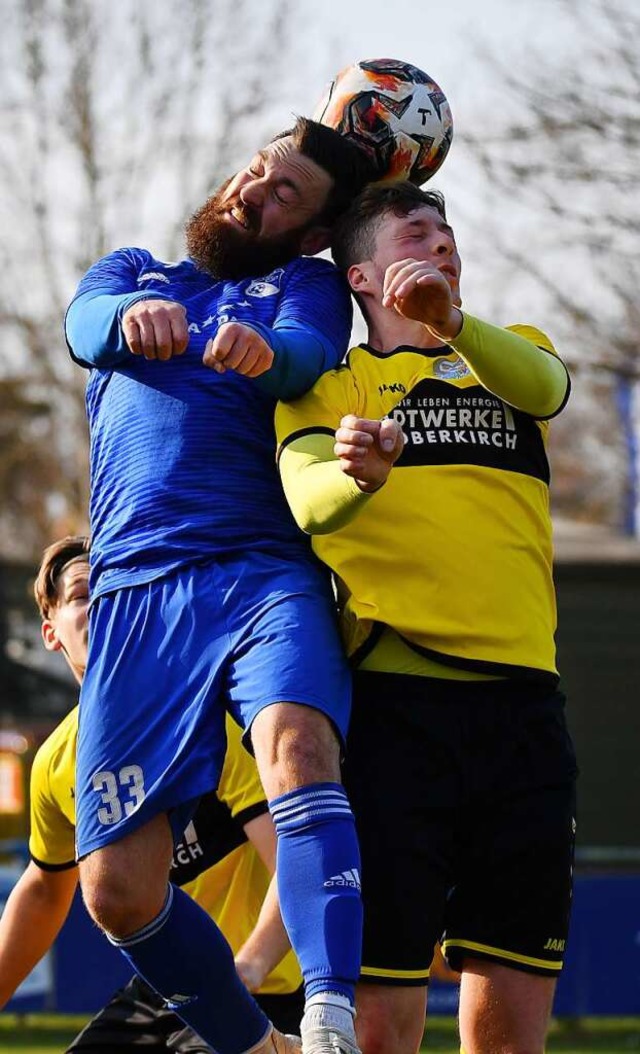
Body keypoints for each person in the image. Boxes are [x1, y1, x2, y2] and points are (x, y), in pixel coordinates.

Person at [64, 118, 376, 1054]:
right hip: (135, 595)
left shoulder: (309, 283)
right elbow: (83, 326)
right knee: (115, 890)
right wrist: (124, 321)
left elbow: (309, 352)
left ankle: (327, 1020)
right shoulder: (131, 270)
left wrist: (264, 353)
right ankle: (257, 1048)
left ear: (313, 231)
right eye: (257, 171)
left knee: (297, 745)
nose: (256, 192)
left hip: (259, 572)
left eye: (286, 194)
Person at [275, 181, 578, 1054]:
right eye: (417, 232)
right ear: (363, 276)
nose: (441, 243)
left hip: (525, 717)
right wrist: (358, 474)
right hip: (397, 716)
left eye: (448, 233)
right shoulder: (331, 385)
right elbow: (309, 502)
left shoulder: (508, 353)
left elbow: (548, 388)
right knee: (381, 1026)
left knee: (513, 1030)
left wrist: (451, 323)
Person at [0, 535, 304, 1051]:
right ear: (51, 634)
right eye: (80, 595)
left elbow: (296, 857)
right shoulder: (55, 762)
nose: (101, 602)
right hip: (163, 989)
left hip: (261, 989)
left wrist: (248, 966)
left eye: (113, 587)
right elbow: (46, 891)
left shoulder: (208, 716)